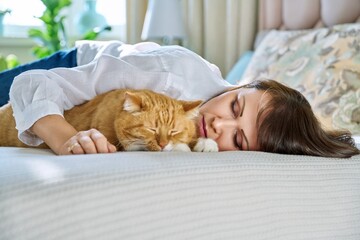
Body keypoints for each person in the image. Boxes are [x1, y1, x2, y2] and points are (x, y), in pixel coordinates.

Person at [4, 41, 360, 158]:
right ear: (239, 86)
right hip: (73, 68)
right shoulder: (170, 75)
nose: (219, 124)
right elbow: (32, 83)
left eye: (238, 138)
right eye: (236, 106)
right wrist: (66, 139)